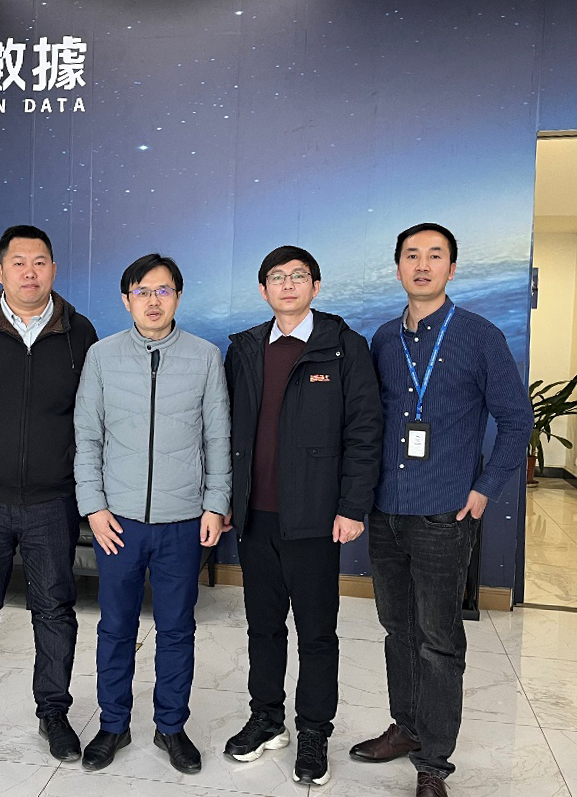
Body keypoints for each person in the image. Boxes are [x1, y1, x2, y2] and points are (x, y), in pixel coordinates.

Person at [350, 223, 532, 797]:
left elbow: (517, 420)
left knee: (438, 639)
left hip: (445, 517)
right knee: (396, 629)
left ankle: (434, 762)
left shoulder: (480, 336)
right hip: (386, 512)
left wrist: (484, 488)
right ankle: (405, 727)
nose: (422, 265)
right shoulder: (383, 339)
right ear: (398, 268)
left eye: (435, 256)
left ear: (452, 268)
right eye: (412, 255)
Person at [0, 224, 98, 766]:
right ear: (0, 270)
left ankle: (53, 713)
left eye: (40, 262)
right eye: (19, 262)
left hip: (52, 500)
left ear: (54, 269)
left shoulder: (79, 332)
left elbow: (89, 410)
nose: (30, 272)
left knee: (54, 611)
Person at [222, 246, 383, 786]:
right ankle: (266, 719)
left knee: (316, 633)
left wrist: (352, 506)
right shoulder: (246, 349)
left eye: (298, 276)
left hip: (315, 518)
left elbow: (365, 430)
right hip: (255, 517)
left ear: (315, 286)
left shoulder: (343, 347)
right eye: (277, 277)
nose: (287, 284)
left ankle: (313, 731)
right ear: (263, 289)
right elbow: (226, 430)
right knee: (263, 627)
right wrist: (226, 499)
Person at [73, 253, 231, 775]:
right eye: (142, 291)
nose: (153, 300)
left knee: (176, 630)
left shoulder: (205, 357)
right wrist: (94, 507)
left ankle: (171, 727)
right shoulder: (101, 356)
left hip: (182, 521)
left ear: (178, 297)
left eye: (163, 290)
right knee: (115, 628)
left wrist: (215, 504)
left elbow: (217, 437)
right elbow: (87, 437)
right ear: (127, 300)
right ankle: (113, 724)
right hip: (117, 522)